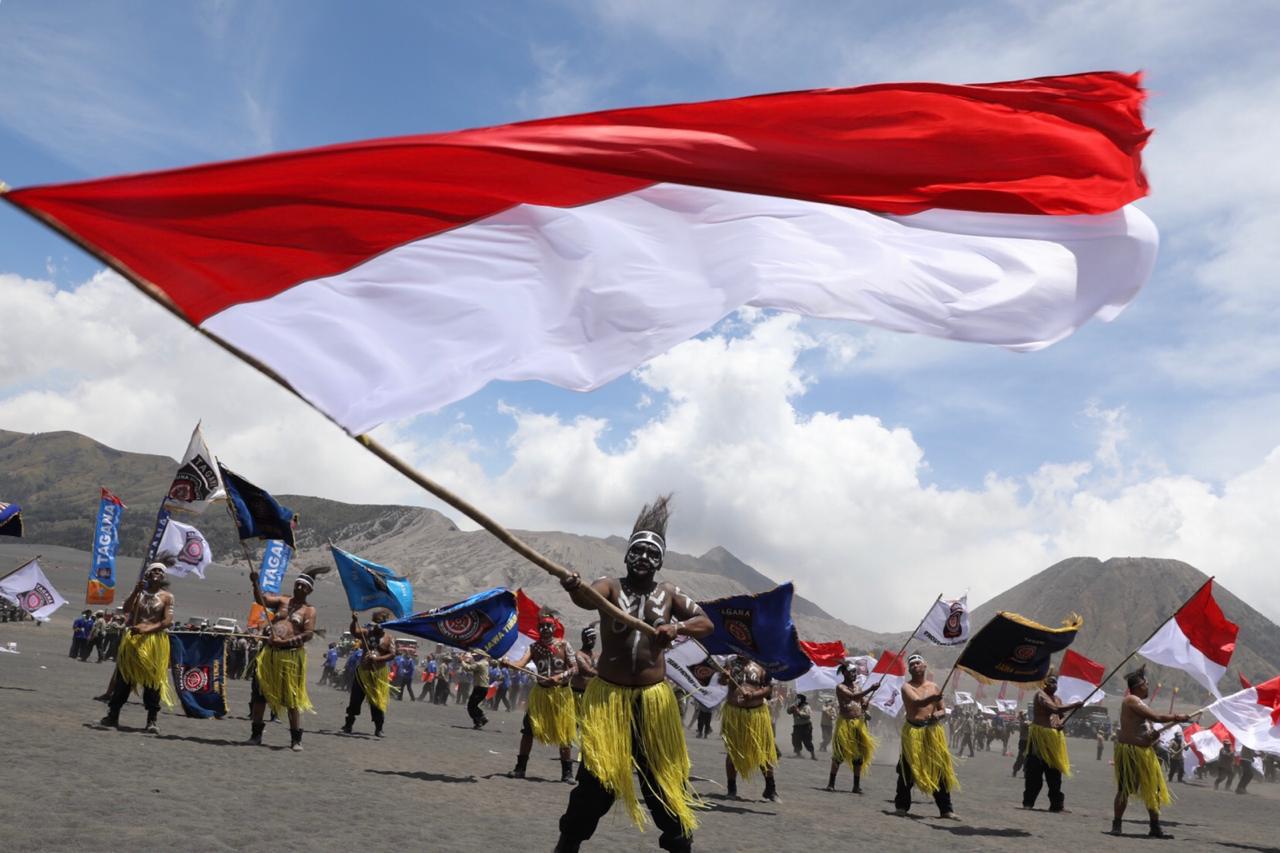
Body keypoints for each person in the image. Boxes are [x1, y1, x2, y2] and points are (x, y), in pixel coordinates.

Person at [555, 495, 713, 853]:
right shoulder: (609, 586)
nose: (644, 557)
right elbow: (586, 599)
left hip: (653, 702)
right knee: (596, 780)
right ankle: (567, 845)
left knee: (663, 778)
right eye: (637, 551)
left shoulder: (669, 594)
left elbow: (705, 622)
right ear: (627, 555)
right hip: (609, 699)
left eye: (652, 553)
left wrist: (678, 628)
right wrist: (574, 587)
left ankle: (679, 845)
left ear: (661, 561)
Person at [247, 565, 326, 751]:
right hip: (269, 655)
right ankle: (256, 735)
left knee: (292, 699)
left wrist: (285, 642)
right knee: (260, 696)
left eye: (304, 586)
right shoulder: (283, 601)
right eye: (297, 584)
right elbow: (261, 599)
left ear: (310, 590)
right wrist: (255, 583)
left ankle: (296, 739)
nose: (299, 588)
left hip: (290, 657)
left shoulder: (309, 610)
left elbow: (308, 634)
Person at [1111, 665, 1190, 838]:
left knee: (1153, 789)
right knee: (1125, 789)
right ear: (1140, 685)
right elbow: (1157, 717)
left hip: (1144, 752)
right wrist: (1178, 717)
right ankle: (1117, 824)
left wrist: (1152, 736)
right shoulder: (1131, 700)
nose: (1148, 687)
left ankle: (1155, 827)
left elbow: (1147, 728)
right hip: (1131, 752)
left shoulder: (1137, 703)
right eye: (1147, 684)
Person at [98, 563, 177, 733]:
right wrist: (135, 591)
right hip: (133, 641)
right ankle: (113, 715)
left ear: (163, 577)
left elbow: (167, 621)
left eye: (160, 571)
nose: (157, 573)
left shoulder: (167, 597)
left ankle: (152, 720)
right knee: (124, 679)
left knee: (153, 682)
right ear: (147, 575)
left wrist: (145, 629)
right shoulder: (139, 593)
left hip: (154, 642)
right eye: (153, 570)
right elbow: (125, 610)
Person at [507, 613, 577, 782]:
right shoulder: (534, 647)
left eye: (548, 626)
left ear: (554, 628)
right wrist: (508, 663)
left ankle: (567, 773)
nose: (545, 629)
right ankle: (520, 768)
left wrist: (559, 677)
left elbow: (575, 668)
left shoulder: (564, 645)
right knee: (528, 731)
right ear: (538, 628)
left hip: (561, 695)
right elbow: (520, 664)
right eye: (542, 626)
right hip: (540, 695)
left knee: (564, 732)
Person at [895, 653, 958, 819]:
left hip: (932, 732)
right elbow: (917, 702)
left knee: (939, 768)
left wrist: (938, 715)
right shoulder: (906, 687)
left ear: (924, 666)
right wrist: (933, 698)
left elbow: (943, 709)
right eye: (912, 664)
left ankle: (946, 810)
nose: (915, 666)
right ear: (909, 669)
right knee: (907, 769)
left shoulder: (934, 687)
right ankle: (901, 806)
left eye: (918, 663)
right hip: (913, 732)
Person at [1022, 671, 1083, 812]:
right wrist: (1075, 705)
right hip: (1039, 738)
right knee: (1035, 772)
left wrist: (1061, 723)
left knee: (1055, 773)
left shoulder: (1057, 699)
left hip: (1053, 739)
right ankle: (1028, 802)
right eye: (1051, 682)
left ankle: (1056, 805)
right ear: (1045, 683)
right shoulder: (1040, 695)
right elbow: (1054, 709)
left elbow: (1060, 715)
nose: (1054, 685)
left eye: (1056, 682)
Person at [720, 655, 779, 802]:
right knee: (733, 751)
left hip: (756, 713)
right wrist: (724, 676)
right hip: (734, 713)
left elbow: (769, 688)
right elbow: (722, 681)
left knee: (763, 750)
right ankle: (731, 789)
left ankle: (770, 789)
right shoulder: (730, 663)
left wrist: (753, 695)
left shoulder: (762, 664)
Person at [826, 662, 878, 793]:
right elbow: (853, 697)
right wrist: (871, 689)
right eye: (851, 672)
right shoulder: (840, 687)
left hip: (858, 723)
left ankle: (856, 786)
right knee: (839, 755)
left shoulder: (858, 687)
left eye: (855, 671)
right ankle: (831, 783)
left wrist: (865, 704)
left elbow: (861, 702)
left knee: (858, 756)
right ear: (844, 673)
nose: (854, 674)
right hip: (845, 724)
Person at [343, 609, 394, 736]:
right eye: (375, 621)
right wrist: (354, 621)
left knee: (377, 701)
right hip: (363, 672)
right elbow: (354, 632)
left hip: (378, 675)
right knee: (355, 699)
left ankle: (379, 728)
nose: (376, 624)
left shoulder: (388, 638)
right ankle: (348, 724)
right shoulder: (366, 633)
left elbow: (392, 654)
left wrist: (377, 659)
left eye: (379, 622)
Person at [464, 652, 490, 729]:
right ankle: (482, 718)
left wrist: (462, 661)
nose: (474, 657)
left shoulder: (480, 664)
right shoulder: (485, 663)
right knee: (473, 705)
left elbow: (468, 668)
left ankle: (479, 721)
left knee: (471, 706)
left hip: (480, 688)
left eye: (476, 656)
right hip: (482, 688)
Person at [787, 694, 817, 760]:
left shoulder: (806, 706)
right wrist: (792, 707)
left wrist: (799, 712)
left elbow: (807, 716)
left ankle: (813, 755)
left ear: (802, 700)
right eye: (796, 698)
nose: (797, 700)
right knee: (795, 740)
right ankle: (798, 754)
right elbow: (788, 711)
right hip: (797, 726)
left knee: (807, 741)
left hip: (806, 726)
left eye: (799, 699)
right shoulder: (795, 705)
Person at [1011, 711, 1030, 775]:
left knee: (1027, 758)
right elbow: (1028, 725)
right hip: (1023, 741)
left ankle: (1025, 771)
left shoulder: (1025, 721)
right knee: (1021, 757)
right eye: (1025, 715)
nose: (1026, 716)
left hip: (1028, 741)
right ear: (1023, 716)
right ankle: (1015, 770)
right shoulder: (1023, 722)